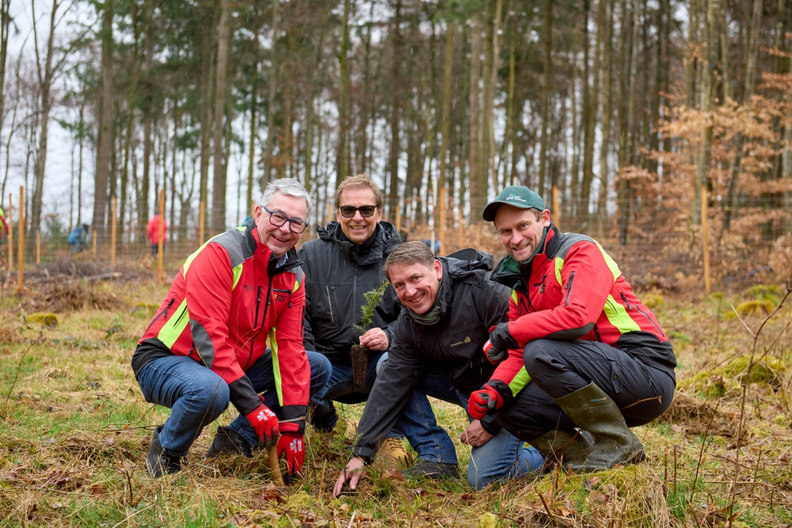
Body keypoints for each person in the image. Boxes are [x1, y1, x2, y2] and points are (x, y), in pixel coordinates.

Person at [131, 178, 332, 480]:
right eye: (278, 216)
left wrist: (293, 426)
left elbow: (290, 347)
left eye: (296, 223)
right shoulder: (221, 253)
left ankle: (236, 441)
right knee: (210, 390)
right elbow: (209, 336)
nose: (285, 228)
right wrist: (255, 407)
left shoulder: (293, 276)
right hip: (168, 359)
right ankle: (167, 454)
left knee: (316, 367)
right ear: (258, 213)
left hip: (232, 366)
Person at [467, 185, 676, 472]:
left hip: (646, 375)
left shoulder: (580, 250)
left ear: (545, 218)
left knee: (540, 350)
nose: (515, 239)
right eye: (505, 231)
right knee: (508, 407)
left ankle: (618, 444)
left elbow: (579, 318)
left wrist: (510, 330)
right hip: (601, 379)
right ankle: (579, 460)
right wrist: (495, 389)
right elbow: (518, 354)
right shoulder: (520, 284)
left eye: (523, 226)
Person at [333, 241, 545, 497]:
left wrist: (490, 422)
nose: (409, 291)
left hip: (505, 395)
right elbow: (391, 383)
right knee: (389, 363)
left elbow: (522, 358)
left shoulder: (485, 291)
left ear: (437, 269)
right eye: (399, 285)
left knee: (484, 479)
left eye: (415, 278)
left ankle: (551, 449)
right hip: (462, 386)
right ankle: (438, 456)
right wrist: (361, 454)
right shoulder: (409, 321)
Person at [298, 173, 452, 476]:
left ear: (379, 214)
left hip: (381, 361)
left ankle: (413, 446)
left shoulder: (400, 256)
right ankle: (324, 419)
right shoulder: (311, 255)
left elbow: (421, 312)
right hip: (328, 364)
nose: (358, 217)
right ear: (338, 213)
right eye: (349, 210)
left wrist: (391, 335)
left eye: (366, 210)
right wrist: (309, 359)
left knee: (398, 363)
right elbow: (297, 316)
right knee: (302, 369)